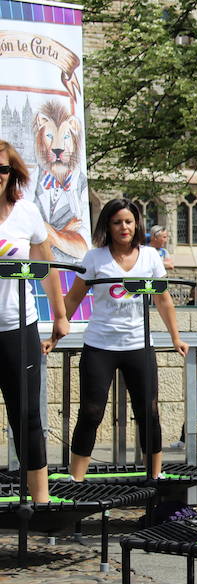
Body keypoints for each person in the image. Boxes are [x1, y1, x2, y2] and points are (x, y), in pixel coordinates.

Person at [60, 198, 188, 480]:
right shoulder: (95, 258)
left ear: (137, 224)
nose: (123, 227)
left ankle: (155, 476)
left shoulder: (151, 257)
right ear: (108, 225)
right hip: (100, 344)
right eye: (117, 222)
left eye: (128, 221)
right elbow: (73, 298)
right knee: (91, 412)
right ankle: (76, 478)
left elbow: (164, 301)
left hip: (138, 345)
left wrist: (175, 337)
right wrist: (55, 334)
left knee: (148, 412)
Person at [0, 140, 69, 503]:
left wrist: (59, 315)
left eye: (2, 169)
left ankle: (40, 503)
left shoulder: (25, 212)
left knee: (26, 415)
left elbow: (45, 269)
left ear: (12, 174)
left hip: (17, 326)